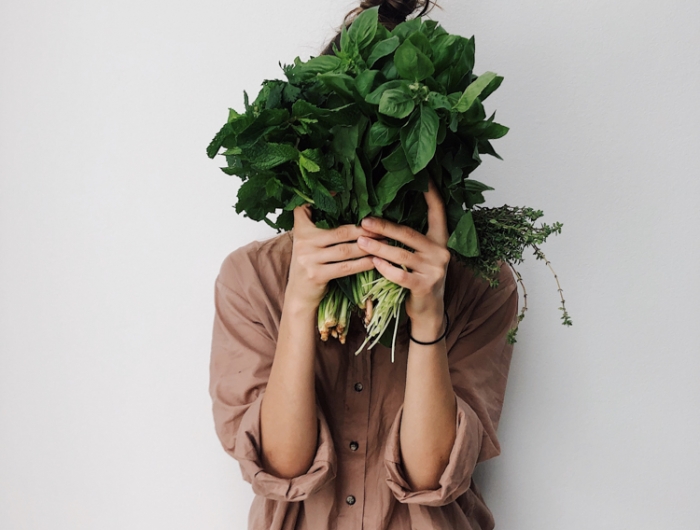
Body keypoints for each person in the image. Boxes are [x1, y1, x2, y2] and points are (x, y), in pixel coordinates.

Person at [208, 1, 520, 528]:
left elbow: (431, 479)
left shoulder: (482, 285)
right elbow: (283, 468)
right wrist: (302, 302)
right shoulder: (253, 279)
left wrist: (427, 317)